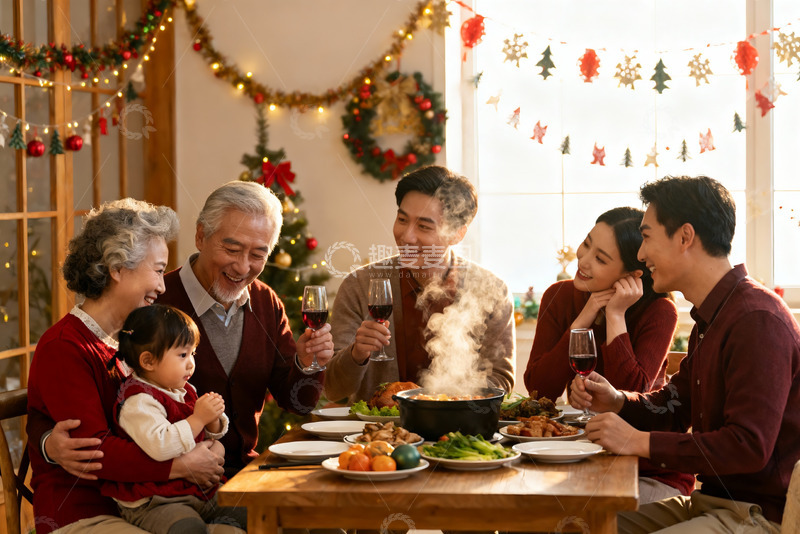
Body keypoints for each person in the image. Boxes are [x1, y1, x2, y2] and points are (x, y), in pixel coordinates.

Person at [571, 176, 800, 532]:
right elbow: (675, 407)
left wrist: (636, 441)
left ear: (685, 237)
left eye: (646, 237)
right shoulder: (713, 316)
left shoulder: (757, 319)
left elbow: (747, 446)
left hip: (759, 516)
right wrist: (618, 401)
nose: (641, 254)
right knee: (577, 524)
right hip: (711, 504)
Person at [26, 199, 226, 534]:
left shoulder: (135, 342)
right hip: (85, 514)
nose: (163, 287)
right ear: (118, 268)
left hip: (151, 504)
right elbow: (94, 452)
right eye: (158, 270)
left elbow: (175, 411)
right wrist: (180, 466)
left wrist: (209, 441)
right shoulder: (65, 346)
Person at [157, 180, 334, 475]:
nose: (242, 268)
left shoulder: (266, 302)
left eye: (257, 255)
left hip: (245, 474)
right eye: (232, 249)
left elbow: (297, 403)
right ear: (201, 236)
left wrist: (307, 364)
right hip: (177, 482)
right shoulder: (159, 300)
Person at [524, 206, 694, 503]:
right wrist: (583, 320)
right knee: (525, 510)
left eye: (601, 259)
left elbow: (631, 393)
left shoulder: (659, 311)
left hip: (647, 472)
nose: (583, 260)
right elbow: (541, 390)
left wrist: (615, 314)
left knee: (560, 515)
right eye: (587, 243)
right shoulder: (558, 296)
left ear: (632, 275)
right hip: (579, 456)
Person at [325, 165, 515, 404]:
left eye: (424, 226)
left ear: (457, 234)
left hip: (458, 432)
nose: (407, 236)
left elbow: (501, 381)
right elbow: (332, 388)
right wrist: (357, 354)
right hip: (374, 435)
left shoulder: (492, 290)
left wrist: (439, 400)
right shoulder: (360, 286)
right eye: (402, 219)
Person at [102, 304, 246, 533]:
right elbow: (162, 446)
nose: (191, 363)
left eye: (192, 353)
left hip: (196, 490)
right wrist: (199, 418)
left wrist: (213, 420)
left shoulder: (182, 388)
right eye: (182, 355)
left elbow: (207, 433)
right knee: (186, 527)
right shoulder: (138, 402)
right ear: (148, 361)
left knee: (250, 510)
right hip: (156, 501)